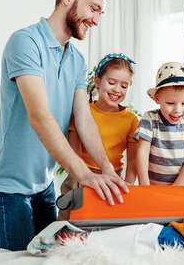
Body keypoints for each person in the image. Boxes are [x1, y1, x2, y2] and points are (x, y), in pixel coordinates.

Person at [0, 0, 128, 251]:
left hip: (43, 182)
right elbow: (38, 116)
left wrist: (107, 169)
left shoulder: (75, 59)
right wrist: (83, 174)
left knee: (49, 246)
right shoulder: (25, 42)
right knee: (23, 248)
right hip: (9, 183)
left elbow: (84, 119)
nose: (97, 20)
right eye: (93, 8)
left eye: (101, 13)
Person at [58, 53, 139, 220]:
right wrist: (82, 178)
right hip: (80, 175)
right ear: (97, 82)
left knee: (106, 221)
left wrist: (129, 185)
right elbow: (74, 153)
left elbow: (132, 160)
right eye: (111, 83)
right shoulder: (82, 112)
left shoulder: (131, 120)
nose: (117, 89)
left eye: (124, 86)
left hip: (113, 176)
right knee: (71, 219)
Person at [134, 62, 184, 185]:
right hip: (152, 188)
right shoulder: (149, 118)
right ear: (157, 99)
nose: (177, 110)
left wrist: (177, 187)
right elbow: (142, 152)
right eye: (170, 103)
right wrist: (144, 186)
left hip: (180, 188)